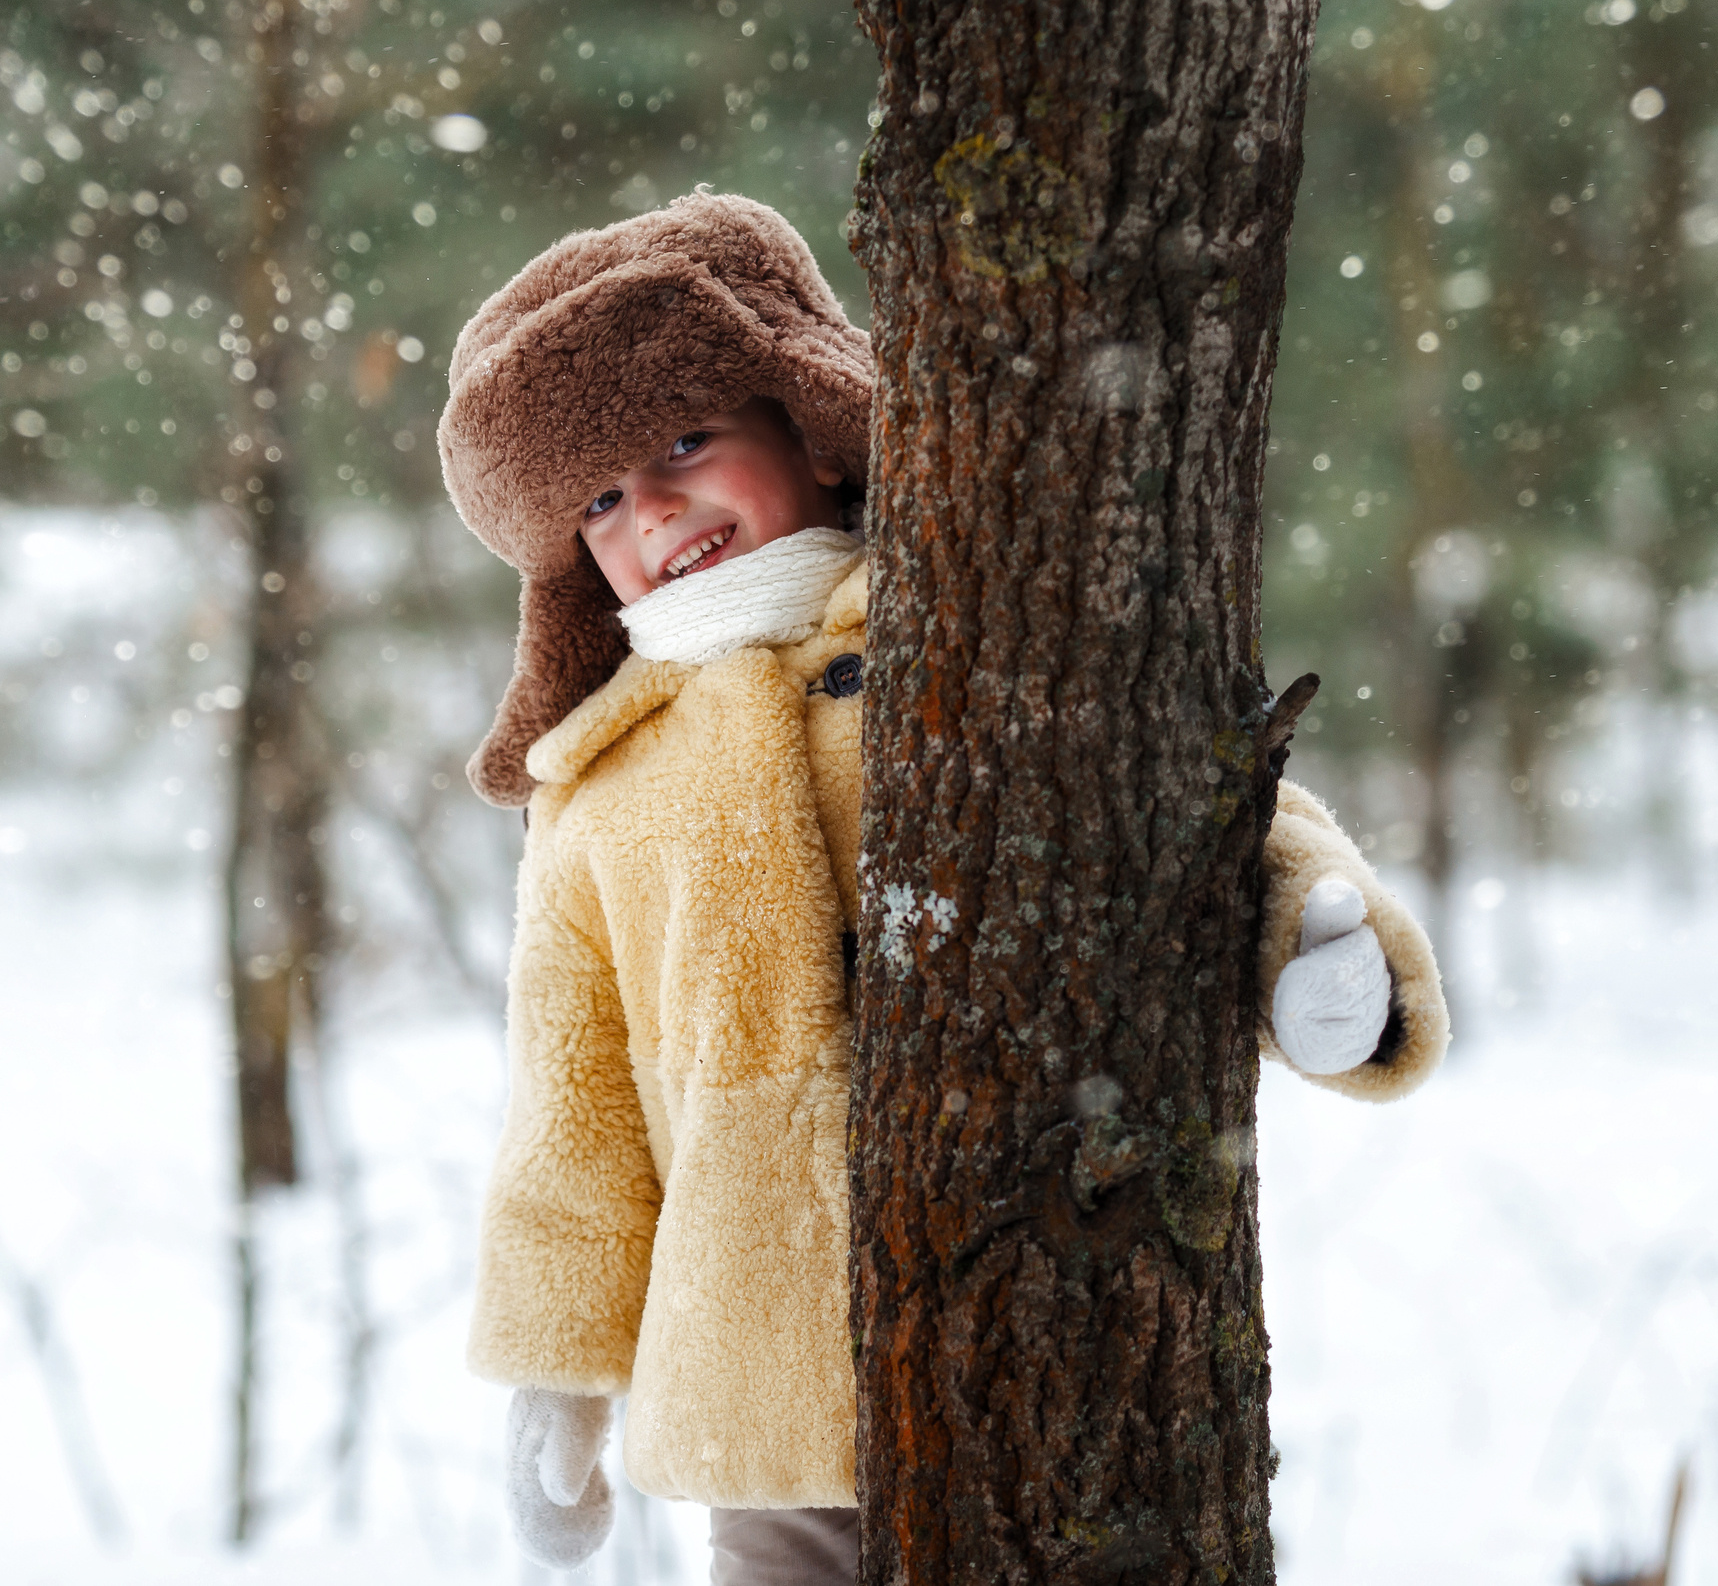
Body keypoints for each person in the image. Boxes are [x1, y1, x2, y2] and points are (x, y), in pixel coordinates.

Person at [434, 191, 1448, 1586]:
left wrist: (1304, 929)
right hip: (765, 1391)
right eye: (600, 499)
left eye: (684, 443)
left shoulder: (966, 627)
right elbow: (576, 1106)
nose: (655, 509)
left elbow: (1183, 808)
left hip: (1037, 1308)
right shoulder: (605, 788)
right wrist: (559, 1369)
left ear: (807, 421)